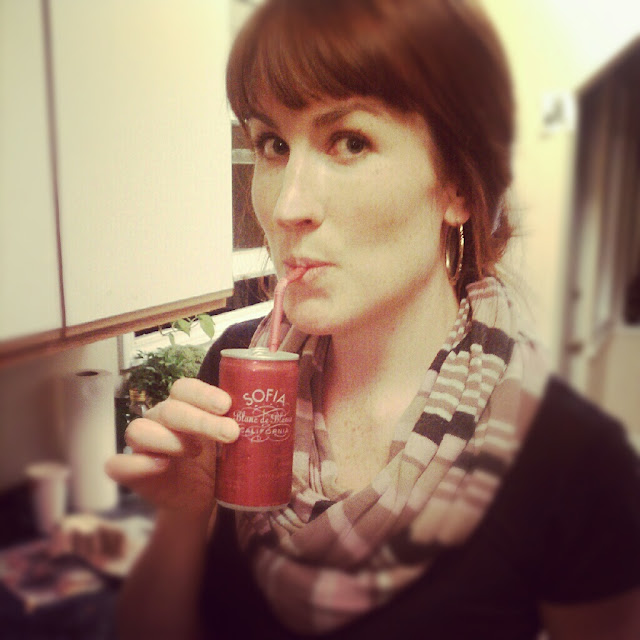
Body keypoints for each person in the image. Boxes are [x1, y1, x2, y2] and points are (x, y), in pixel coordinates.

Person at [105, 1, 640, 638]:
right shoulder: (236, 370)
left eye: (349, 142)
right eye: (273, 144)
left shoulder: (573, 458)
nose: (287, 207)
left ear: (457, 187)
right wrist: (182, 517)